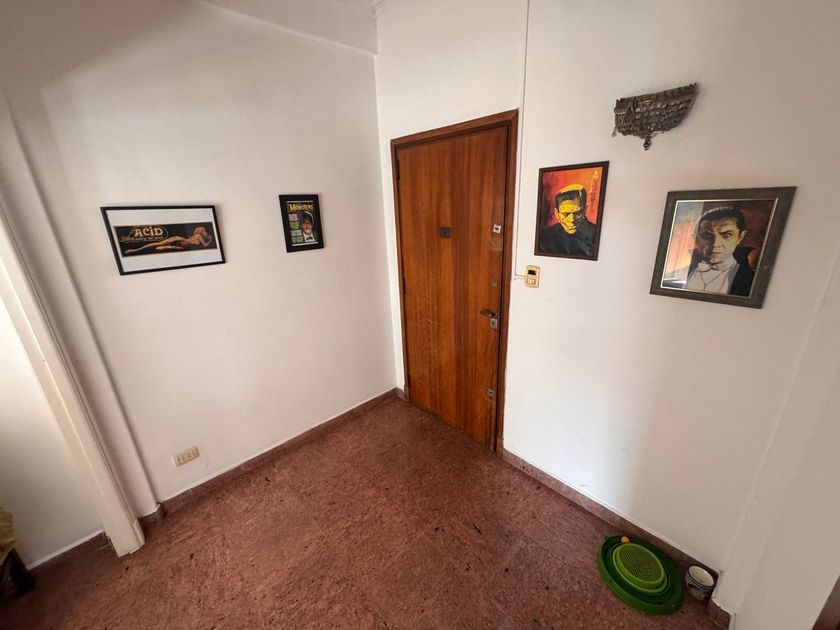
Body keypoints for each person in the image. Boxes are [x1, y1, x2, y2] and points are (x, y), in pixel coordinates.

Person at [675, 206, 755, 296]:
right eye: (707, 235)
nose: (715, 244)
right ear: (695, 238)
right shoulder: (676, 275)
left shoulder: (751, 280)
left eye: (727, 235)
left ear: (740, 237)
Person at [538, 184, 596, 257]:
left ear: (585, 210)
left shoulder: (595, 234)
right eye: (565, 214)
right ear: (557, 213)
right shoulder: (545, 236)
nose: (571, 220)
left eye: (577, 213)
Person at [124, 226, 213, 255]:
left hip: (181, 243)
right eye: (203, 231)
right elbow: (205, 245)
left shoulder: (196, 236)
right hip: (181, 241)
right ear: (201, 232)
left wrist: (207, 237)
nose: (204, 232)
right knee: (159, 245)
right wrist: (210, 239)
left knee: (159, 245)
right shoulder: (198, 236)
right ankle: (134, 250)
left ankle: (134, 250)